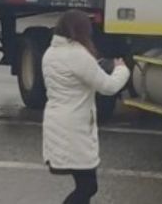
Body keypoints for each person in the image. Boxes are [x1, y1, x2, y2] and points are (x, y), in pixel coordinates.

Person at [42, 10, 129, 204]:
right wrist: (121, 69)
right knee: (88, 186)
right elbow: (108, 87)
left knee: (85, 186)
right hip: (74, 129)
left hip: (57, 123)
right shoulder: (77, 55)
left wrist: (94, 65)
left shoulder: (51, 53)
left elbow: (76, 74)